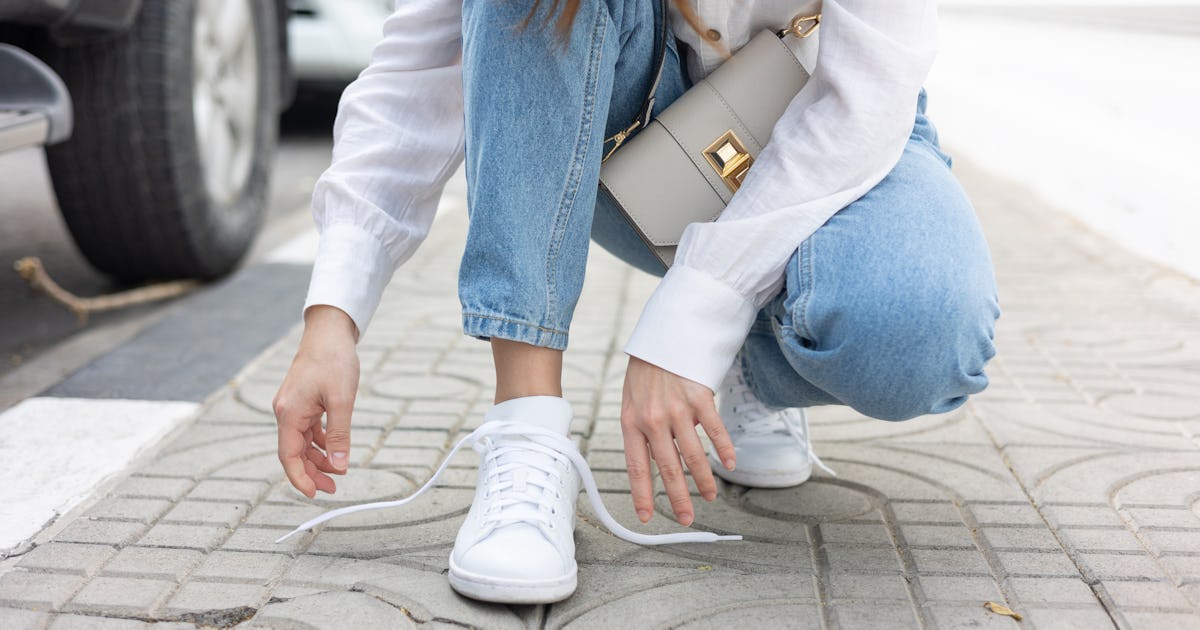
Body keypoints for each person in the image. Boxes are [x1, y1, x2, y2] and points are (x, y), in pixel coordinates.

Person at [273, 0, 999, 605]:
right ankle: (526, 432)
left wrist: (692, 322)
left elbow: (863, 99)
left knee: (919, 330)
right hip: (630, 116)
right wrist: (332, 315)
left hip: (830, 110)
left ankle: (750, 364)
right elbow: (421, 66)